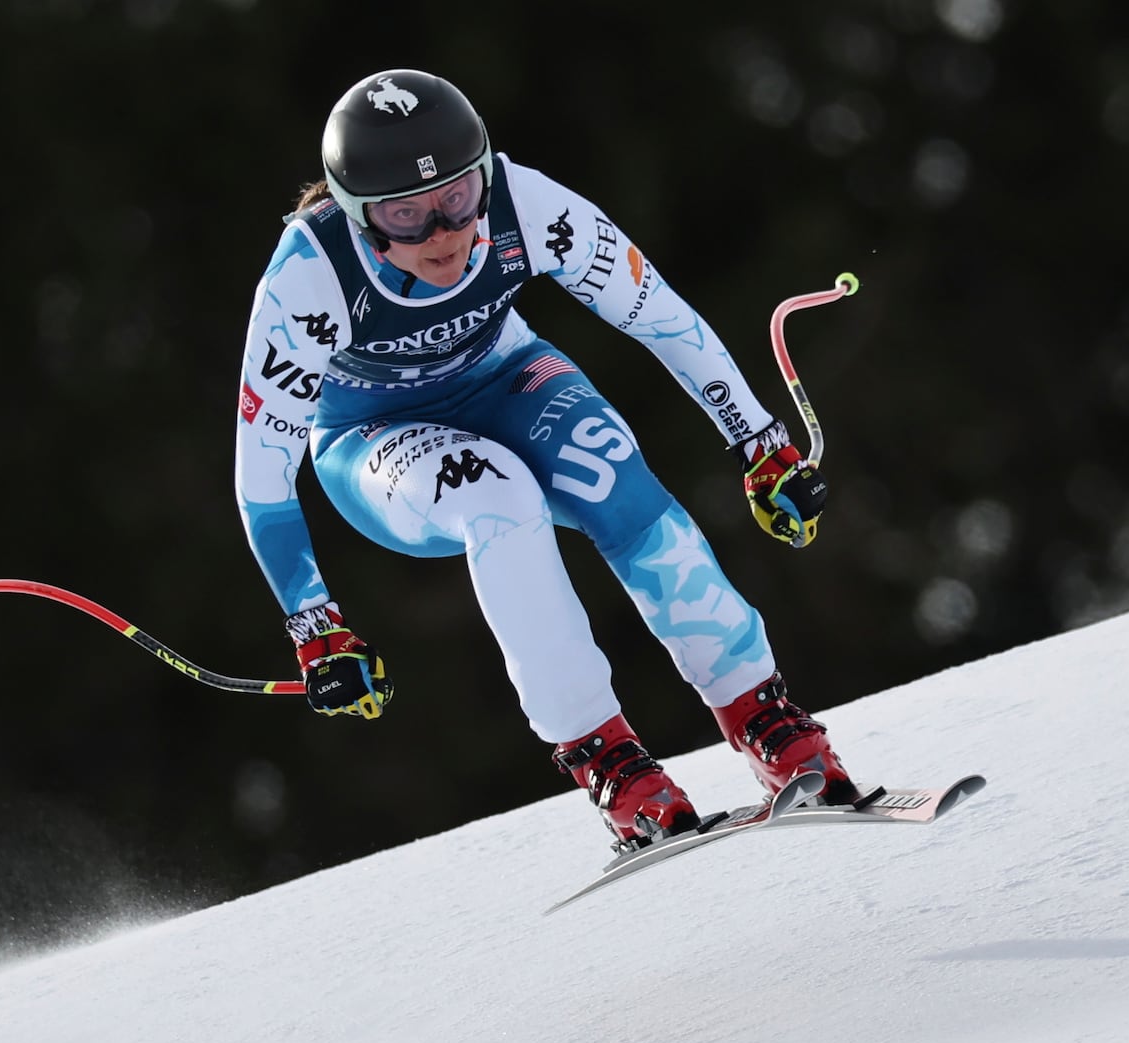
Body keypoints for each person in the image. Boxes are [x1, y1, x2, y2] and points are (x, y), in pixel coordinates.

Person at [233, 68, 859, 853]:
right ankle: (611, 762)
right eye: (405, 215)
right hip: (372, 436)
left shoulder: (526, 204)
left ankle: (764, 715)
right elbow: (262, 476)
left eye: (458, 198)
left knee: (615, 478)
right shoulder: (308, 278)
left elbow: (661, 315)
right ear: (361, 218)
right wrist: (314, 623)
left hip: (507, 377)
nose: (442, 234)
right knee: (500, 498)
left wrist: (759, 442)